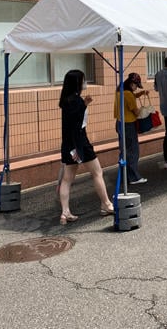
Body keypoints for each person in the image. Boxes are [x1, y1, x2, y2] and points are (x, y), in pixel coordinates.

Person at [58, 69, 114, 225]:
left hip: (68, 145)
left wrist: (84, 103)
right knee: (97, 172)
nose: (85, 83)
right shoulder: (76, 101)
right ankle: (106, 204)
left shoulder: (66, 100)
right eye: (83, 80)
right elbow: (77, 121)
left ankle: (65, 212)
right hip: (80, 143)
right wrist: (84, 104)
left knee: (67, 179)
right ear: (77, 83)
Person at [113, 72, 148, 185]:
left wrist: (140, 93)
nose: (136, 88)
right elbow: (136, 111)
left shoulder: (119, 91)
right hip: (128, 124)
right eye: (136, 85)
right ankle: (134, 177)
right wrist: (145, 112)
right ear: (132, 84)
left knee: (124, 151)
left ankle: (124, 176)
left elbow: (131, 97)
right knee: (133, 151)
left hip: (119, 123)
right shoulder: (128, 94)